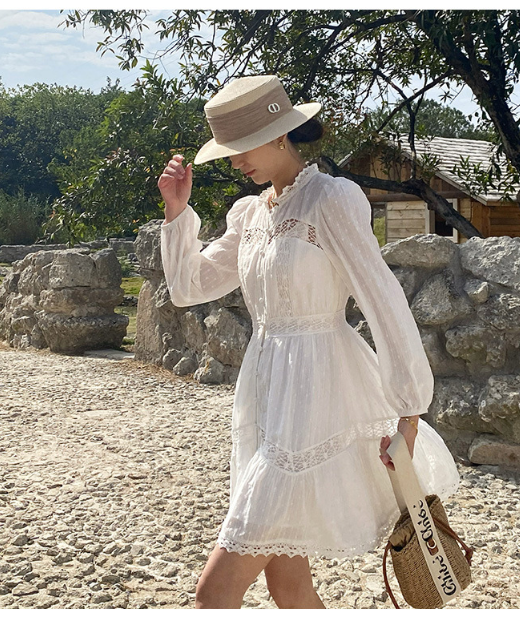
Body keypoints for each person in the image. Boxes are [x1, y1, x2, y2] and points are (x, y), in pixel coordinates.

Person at [157, 74, 460, 609]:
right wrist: (177, 212)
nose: (234, 161)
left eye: (241, 147)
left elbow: (382, 299)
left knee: (213, 594)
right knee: (289, 586)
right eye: (227, 151)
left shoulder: (331, 198)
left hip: (317, 400)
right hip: (266, 396)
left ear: (279, 134)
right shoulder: (250, 213)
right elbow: (189, 287)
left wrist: (408, 414)